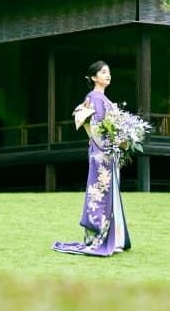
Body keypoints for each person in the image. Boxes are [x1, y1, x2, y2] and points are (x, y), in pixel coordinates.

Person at [52, 61, 131, 256]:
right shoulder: (94, 97)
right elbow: (95, 127)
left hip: (109, 152)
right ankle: (98, 237)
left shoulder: (105, 99)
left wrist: (123, 140)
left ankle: (113, 238)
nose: (108, 75)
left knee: (108, 193)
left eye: (109, 72)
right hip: (101, 153)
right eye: (103, 72)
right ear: (94, 77)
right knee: (99, 193)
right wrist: (110, 144)